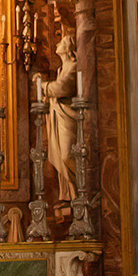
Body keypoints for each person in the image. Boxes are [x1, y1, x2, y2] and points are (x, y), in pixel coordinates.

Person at [44, 31, 79, 202]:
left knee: (67, 155)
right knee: (60, 156)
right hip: (59, 115)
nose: (57, 43)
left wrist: (42, 86)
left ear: (68, 47)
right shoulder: (61, 68)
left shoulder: (73, 66)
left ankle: (83, 187)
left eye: (62, 41)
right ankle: (73, 192)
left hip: (69, 117)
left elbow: (62, 88)